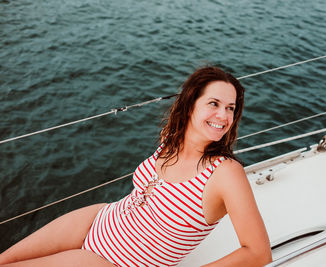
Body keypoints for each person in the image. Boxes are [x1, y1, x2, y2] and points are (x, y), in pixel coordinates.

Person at [0, 66, 272, 266]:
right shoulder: (171, 140)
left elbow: (258, 252)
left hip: (113, 262)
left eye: (231, 108)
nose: (223, 116)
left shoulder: (225, 173)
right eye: (214, 103)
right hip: (98, 219)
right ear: (190, 105)